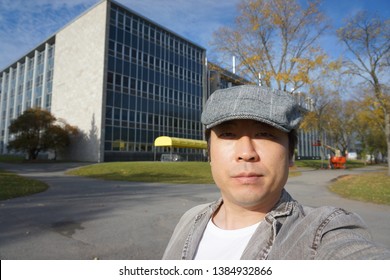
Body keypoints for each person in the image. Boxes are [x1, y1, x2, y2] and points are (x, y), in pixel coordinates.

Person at [162, 85, 390, 260]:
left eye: (265, 134)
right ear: (209, 152)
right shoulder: (190, 218)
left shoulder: (323, 232)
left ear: (290, 153)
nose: (246, 152)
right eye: (228, 135)